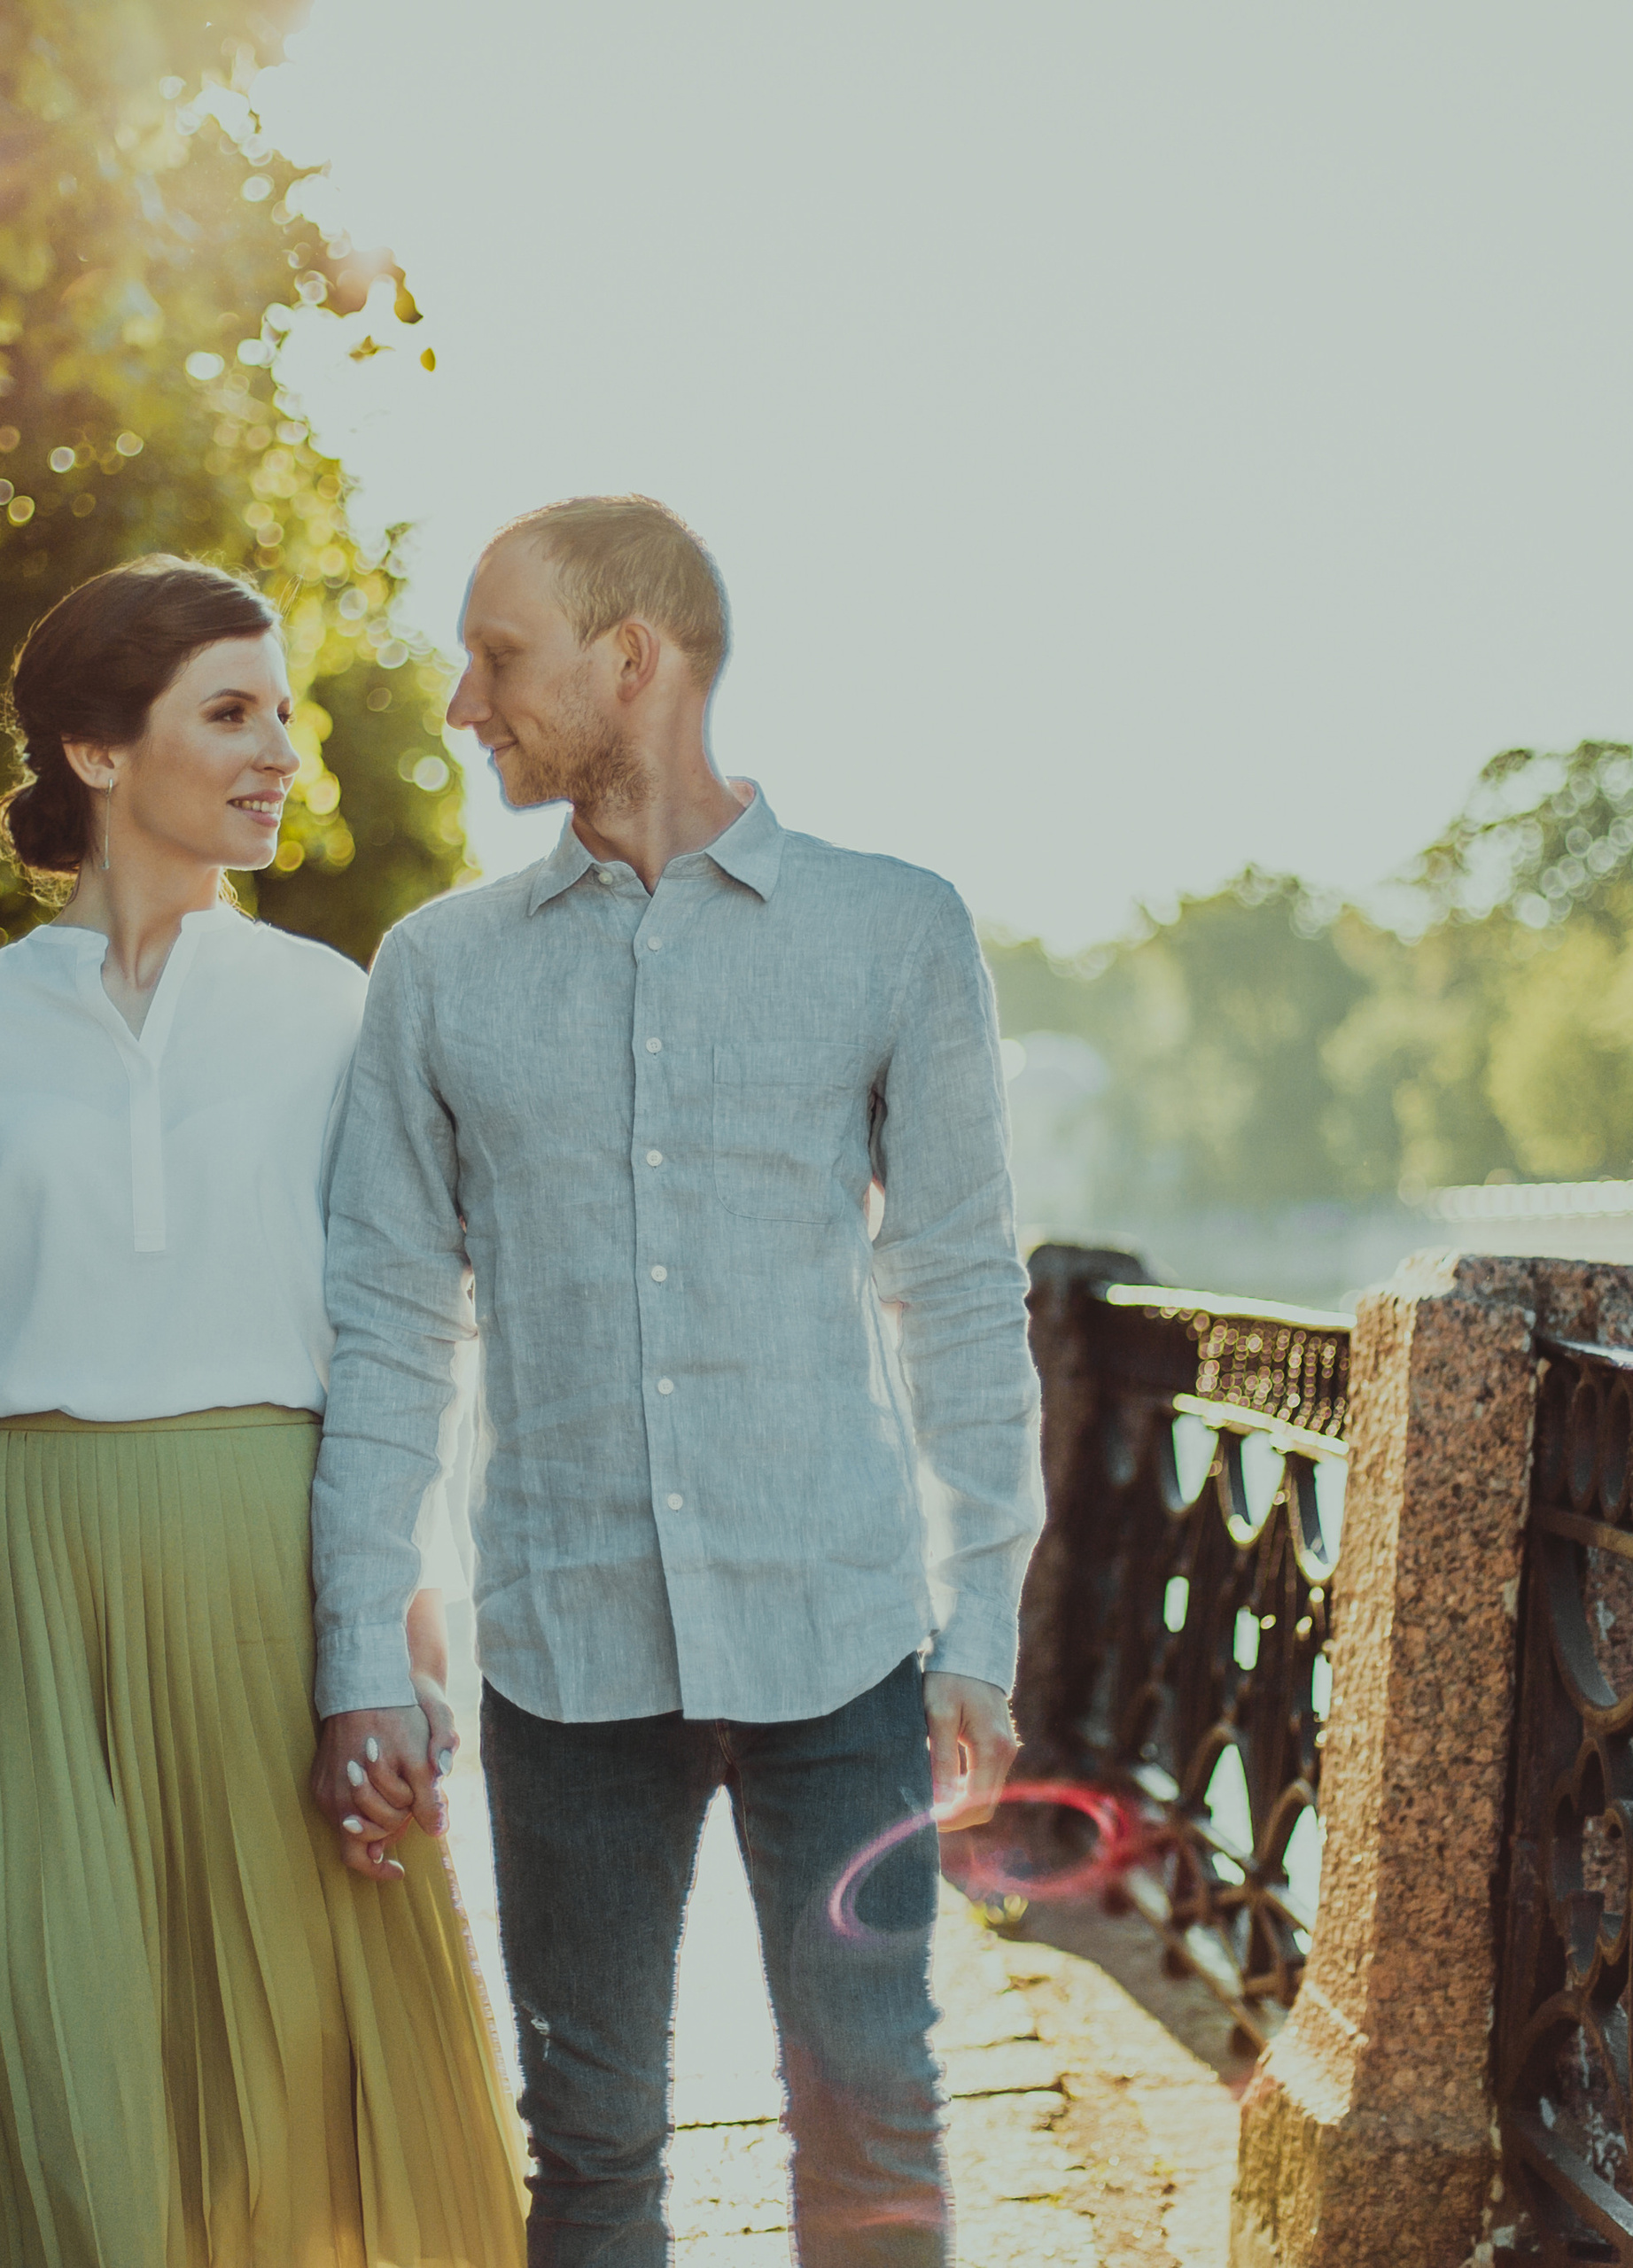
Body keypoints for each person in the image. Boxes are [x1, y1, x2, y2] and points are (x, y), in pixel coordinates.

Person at [311, 496, 1045, 2265]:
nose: (464, 699)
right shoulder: (435, 972)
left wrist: (981, 1621)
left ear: (628, 658)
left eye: (497, 656)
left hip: (842, 1643)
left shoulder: (894, 928)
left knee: (870, 2110)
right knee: (592, 2146)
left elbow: (952, 1283)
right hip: (566, 1653)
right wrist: (357, 1657)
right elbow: (391, 1321)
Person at [0, 555, 526, 2268]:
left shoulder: (337, 1011)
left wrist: (409, 1662)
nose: (280, 750)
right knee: (72, 2095)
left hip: (268, 1569)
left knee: (308, 2092)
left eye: (283, 714)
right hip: (26, 1591)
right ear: (94, 748)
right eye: (231, 713)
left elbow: (393, 1342)